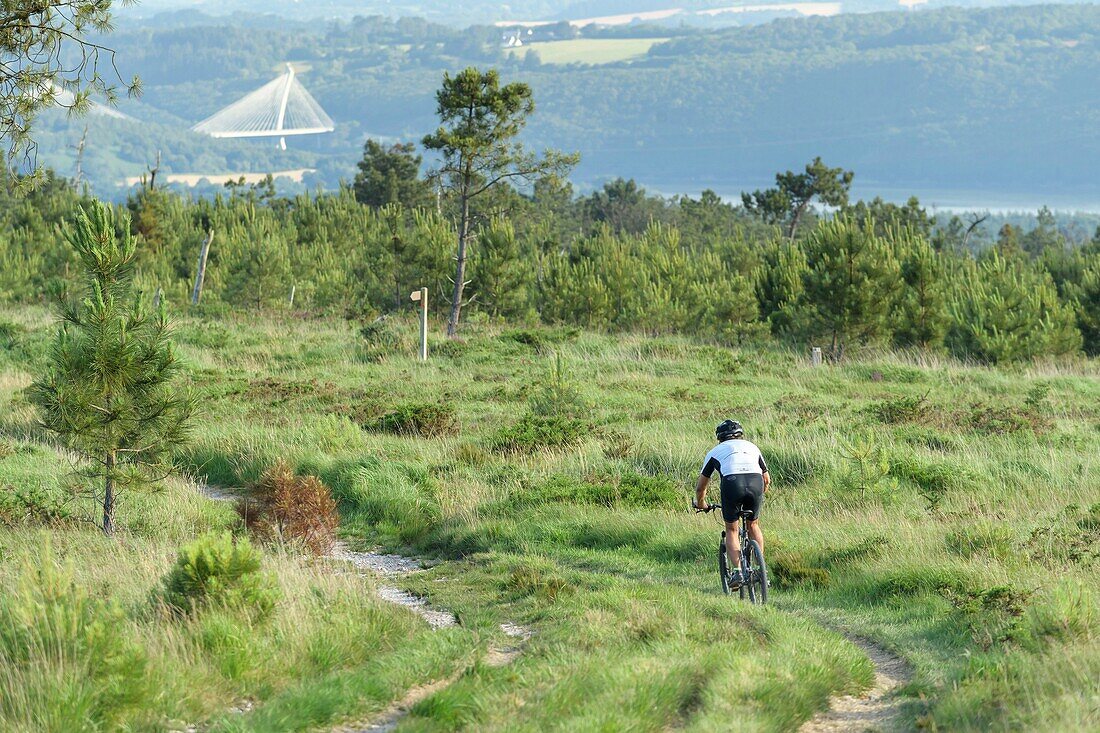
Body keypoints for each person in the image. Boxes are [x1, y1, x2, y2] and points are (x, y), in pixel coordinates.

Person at [694, 419, 770, 588]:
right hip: (756, 483)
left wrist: (701, 504)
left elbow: (701, 488)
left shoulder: (715, 451)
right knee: (754, 525)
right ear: (740, 435)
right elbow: (766, 479)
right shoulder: (752, 447)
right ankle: (760, 569)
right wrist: (757, 496)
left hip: (732, 483)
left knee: (732, 529)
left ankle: (737, 572)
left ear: (720, 437)